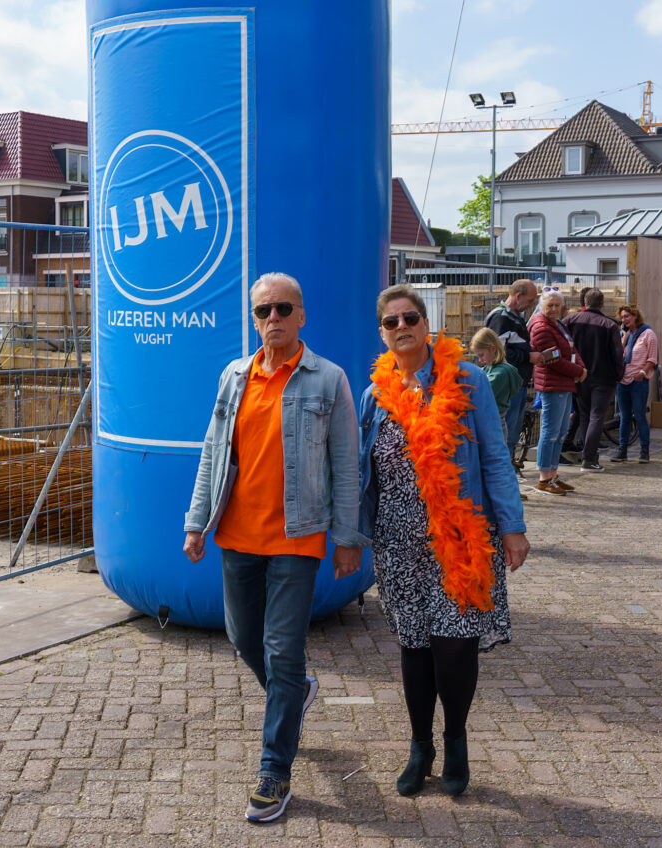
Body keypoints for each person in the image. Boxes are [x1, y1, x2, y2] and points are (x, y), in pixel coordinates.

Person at [183, 272, 367, 822]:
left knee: (283, 650)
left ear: (302, 315)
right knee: (243, 640)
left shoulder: (328, 379)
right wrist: (197, 522)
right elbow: (213, 453)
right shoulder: (235, 375)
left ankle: (274, 771)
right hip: (236, 534)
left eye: (283, 309)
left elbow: (346, 466)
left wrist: (347, 538)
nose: (273, 320)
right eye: (263, 311)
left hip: (298, 535)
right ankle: (294, 691)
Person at [358, 284, 529, 797]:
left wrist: (513, 526)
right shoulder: (373, 396)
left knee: (454, 647)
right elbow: (362, 472)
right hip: (397, 542)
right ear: (382, 332)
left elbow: (496, 458)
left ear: (426, 324)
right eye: (392, 322)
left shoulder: (468, 380)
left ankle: (455, 740)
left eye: (411, 317)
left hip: (459, 539)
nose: (402, 327)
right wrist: (351, 534)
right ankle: (420, 746)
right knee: (414, 646)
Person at [529, 289, 586, 492]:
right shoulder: (541, 327)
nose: (553, 309)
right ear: (542, 306)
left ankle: (553, 474)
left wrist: (581, 368)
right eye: (550, 305)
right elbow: (553, 359)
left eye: (557, 305)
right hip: (552, 384)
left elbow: (571, 349)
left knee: (561, 432)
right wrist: (578, 371)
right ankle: (544, 477)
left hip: (564, 383)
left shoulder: (557, 324)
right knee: (550, 432)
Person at [484, 280, 549, 459]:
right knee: (507, 433)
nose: (531, 305)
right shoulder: (501, 317)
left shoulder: (513, 317)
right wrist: (527, 357)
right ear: (518, 296)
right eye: (529, 301)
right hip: (506, 386)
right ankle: (504, 471)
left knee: (512, 433)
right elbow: (495, 352)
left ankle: (508, 468)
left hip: (516, 383)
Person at [563, 287, 625, 471]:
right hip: (603, 377)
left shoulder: (570, 320)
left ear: (584, 303)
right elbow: (617, 353)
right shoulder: (609, 325)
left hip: (578, 374)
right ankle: (589, 459)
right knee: (596, 416)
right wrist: (619, 375)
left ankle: (587, 455)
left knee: (584, 414)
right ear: (602, 304)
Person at [612, 304, 658, 463]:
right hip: (622, 381)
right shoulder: (624, 334)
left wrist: (643, 373)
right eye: (622, 317)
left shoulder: (648, 334)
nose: (624, 320)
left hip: (638, 381)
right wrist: (624, 337)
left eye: (627, 316)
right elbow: (617, 354)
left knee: (639, 416)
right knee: (624, 416)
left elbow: (652, 358)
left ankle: (644, 450)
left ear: (635, 316)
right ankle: (622, 449)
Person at [469, 327, 523, 443]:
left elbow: (480, 394)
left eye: (482, 355)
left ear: (493, 348)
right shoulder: (491, 368)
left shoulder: (501, 374)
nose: (480, 359)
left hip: (493, 425)